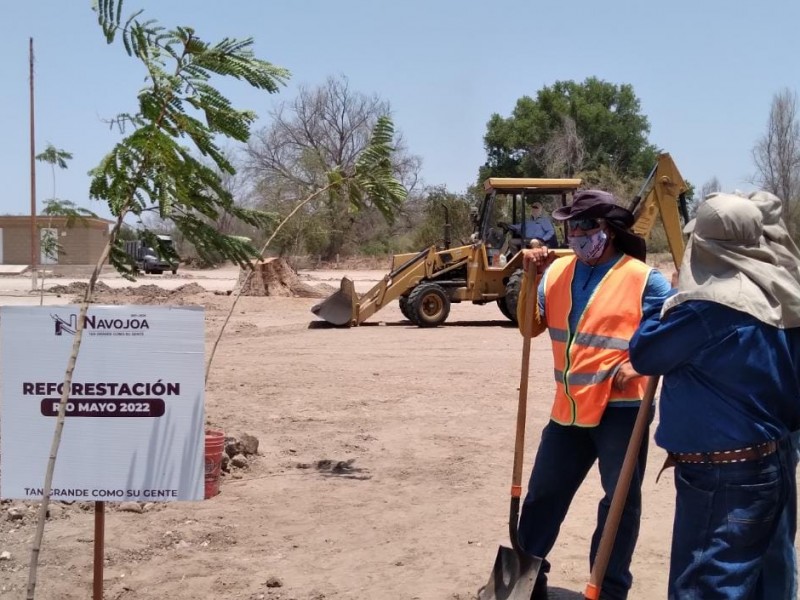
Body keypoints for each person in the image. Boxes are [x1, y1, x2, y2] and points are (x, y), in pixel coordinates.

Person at [628, 192, 800, 599]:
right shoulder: (781, 294)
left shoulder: (709, 307)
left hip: (724, 476)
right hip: (769, 461)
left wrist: (662, 303)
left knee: (707, 585)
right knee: (764, 583)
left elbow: (646, 353)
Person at [516, 189, 672, 600]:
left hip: (621, 412)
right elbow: (529, 328)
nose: (577, 234)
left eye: (586, 226)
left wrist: (639, 363)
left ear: (610, 230)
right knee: (542, 497)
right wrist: (529, 278)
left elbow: (667, 337)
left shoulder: (644, 279)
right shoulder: (556, 274)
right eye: (571, 226)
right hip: (567, 411)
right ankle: (525, 583)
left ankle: (607, 588)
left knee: (619, 505)